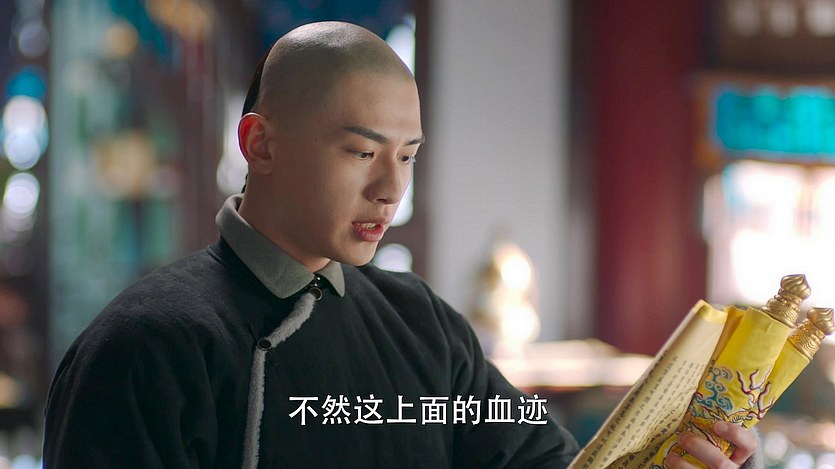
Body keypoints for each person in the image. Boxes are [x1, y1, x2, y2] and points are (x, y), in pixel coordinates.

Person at [42, 21, 759, 468]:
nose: (391, 190)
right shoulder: (147, 344)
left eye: (408, 156)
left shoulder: (422, 325)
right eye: (361, 152)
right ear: (260, 144)